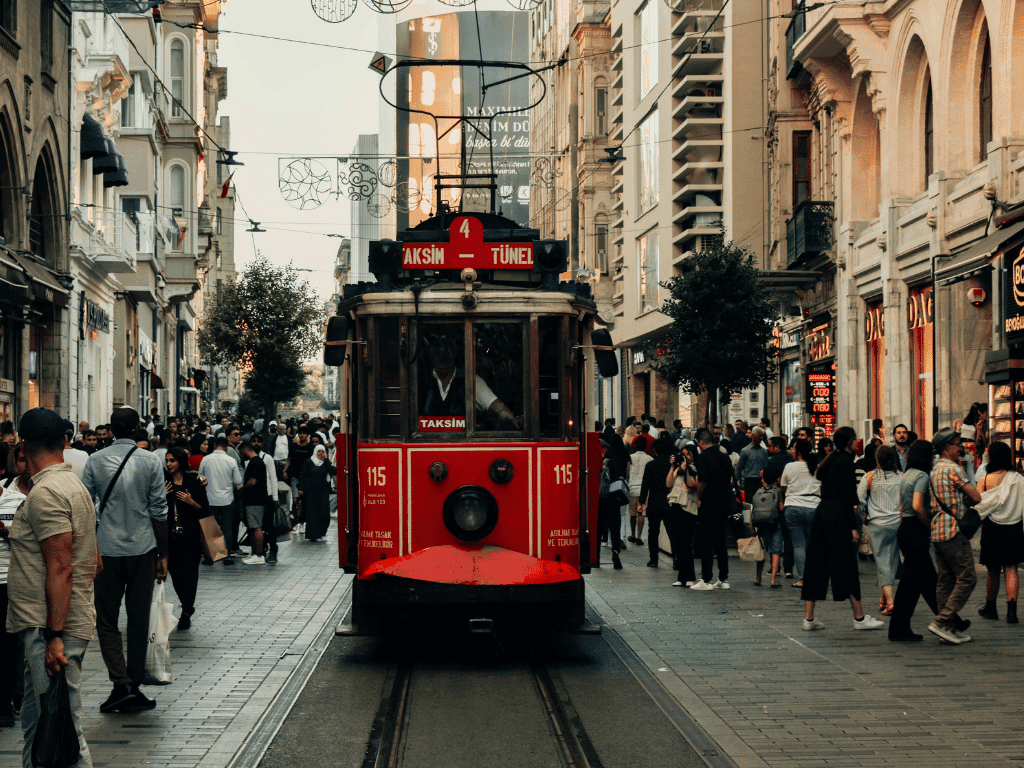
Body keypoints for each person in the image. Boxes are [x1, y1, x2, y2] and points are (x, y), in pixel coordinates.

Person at [7, 408, 98, 765]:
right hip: (53, 623)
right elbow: (94, 560)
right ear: (64, 441)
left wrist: (55, 636)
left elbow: (60, 568)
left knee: (63, 727)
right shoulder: (73, 486)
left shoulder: (47, 493)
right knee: (37, 720)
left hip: (52, 627)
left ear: (22, 445)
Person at [83, 407, 168, 713]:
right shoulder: (151, 461)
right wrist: (163, 552)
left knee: (106, 620)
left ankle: (120, 682)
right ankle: (133, 683)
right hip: (143, 548)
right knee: (138, 617)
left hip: (106, 549)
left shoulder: (95, 461)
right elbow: (159, 509)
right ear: (136, 430)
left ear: (111, 429)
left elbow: (87, 508)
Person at [800, 426, 885, 632]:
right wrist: (852, 527)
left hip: (822, 514)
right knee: (846, 565)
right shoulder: (847, 463)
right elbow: (847, 496)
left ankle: (809, 619)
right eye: (855, 439)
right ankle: (859, 617)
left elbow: (820, 476)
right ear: (848, 442)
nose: (857, 442)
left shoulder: (830, 460)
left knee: (815, 564)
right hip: (839, 517)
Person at [928, 427, 982, 644]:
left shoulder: (934, 470)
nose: (960, 447)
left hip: (938, 531)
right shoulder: (953, 469)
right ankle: (942, 621)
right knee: (968, 577)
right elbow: (976, 496)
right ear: (946, 447)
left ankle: (947, 631)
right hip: (953, 531)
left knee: (945, 581)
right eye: (957, 443)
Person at [890, 439, 940, 641]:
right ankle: (899, 629)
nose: (934, 458)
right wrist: (930, 526)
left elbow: (904, 508)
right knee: (911, 585)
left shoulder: (907, 474)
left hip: (906, 528)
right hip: (916, 530)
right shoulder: (921, 476)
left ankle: (949, 619)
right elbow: (918, 506)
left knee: (929, 582)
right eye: (932, 454)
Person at [975, 441, 1024, 624]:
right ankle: (1012, 612)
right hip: (1014, 528)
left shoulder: (985, 480)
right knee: (1012, 569)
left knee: (993, 570)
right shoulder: (1019, 479)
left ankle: (991, 607)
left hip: (992, 529)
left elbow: (978, 504)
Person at [163, 447, 207, 629]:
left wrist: (190, 501)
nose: (169, 464)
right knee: (175, 574)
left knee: (190, 574)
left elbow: (205, 509)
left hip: (191, 535)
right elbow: (154, 507)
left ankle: (186, 611)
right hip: (170, 536)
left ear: (181, 461)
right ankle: (186, 603)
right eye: (167, 460)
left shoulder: (193, 481)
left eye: (172, 460)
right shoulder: (163, 482)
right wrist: (162, 497)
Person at [0, 443, 27, 726]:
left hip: (12, 580)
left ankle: (11, 698)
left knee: (11, 644)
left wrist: (6, 533)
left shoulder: (15, 500)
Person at [858, 445, 903, 616]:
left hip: (876, 524)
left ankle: (891, 602)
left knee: (882, 561)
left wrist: (864, 515)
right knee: (890, 560)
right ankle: (884, 598)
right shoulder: (901, 477)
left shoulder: (869, 477)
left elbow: (859, 499)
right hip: (897, 524)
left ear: (877, 460)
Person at [690, 428, 733, 590]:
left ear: (701, 442)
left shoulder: (703, 458)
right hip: (724, 503)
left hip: (708, 503)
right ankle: (723, 578)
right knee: (720, 541)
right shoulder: (724, 457)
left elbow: (702, 481)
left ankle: (706, 579)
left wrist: (699, 498)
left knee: (706, 541)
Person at [199, 436, 243, 563]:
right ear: (226, 446)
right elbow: (238, 481)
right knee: (227, 528)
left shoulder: (205, 460)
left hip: (210, 498)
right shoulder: (231, 460)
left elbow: (200, 477)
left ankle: (212, 556)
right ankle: (227, 556)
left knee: (211, 528)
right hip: (227, 499)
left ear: (214, 445)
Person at [638, 437, 677, 570]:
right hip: (669, 501)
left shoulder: (650, 465)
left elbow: (645, 485)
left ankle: (653, 559)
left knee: (653, 532)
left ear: (654, 450)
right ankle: (676, 558)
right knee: (672, 531)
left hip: (654, 501)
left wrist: (641, 502)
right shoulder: (671, 465)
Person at [666, 443, 699, 586]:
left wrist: (686, 470)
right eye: (682, 454)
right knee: (678, 543)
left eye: (687, 454)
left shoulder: (696, 469)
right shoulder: (679, 469)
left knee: (686, 543)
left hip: (689, 509)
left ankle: (690, 576)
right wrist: (673, 467)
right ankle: (681, 577)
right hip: (675, 506)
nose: (684, 457)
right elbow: (668, 484)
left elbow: (691, 486)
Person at [239, 442, 271, 564]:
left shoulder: (254, 463)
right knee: (253, 527)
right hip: (257, 499)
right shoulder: (257, 462)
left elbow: (252, 482)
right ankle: (255, 553)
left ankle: (259, 555)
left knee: (256, 526)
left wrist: (241, 490)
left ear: (245, 450)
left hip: (255, 500)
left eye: (241, 452)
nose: (241, 455)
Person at [300, 445, 333, 542]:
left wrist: (326, 460)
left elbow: (332, 470)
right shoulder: (309, 462)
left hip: (323, 491)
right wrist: (301, 488)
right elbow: (302, 475)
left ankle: (323, 533)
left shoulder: (326, 463)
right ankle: (313, 535)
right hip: (311, 492)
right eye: (318, 451)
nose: (320, 453)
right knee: (312, 513)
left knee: (324, 512)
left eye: (322, 451)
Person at [735, 427, 770, 503]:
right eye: (760, 435)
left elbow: (766, 467)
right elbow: (739, 468)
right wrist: (735, 483)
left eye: (762, 436)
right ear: (753, 435)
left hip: (760, 482)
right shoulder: (745, 451)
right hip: (749, 482)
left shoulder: (764, 452)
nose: (761, 438)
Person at [626, 442, 651, 545]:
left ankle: (632, 534)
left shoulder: (630, 457)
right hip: (644, 490)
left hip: (632, 488)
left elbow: (627, 473)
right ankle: (639, 536)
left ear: (636, 446)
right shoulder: (649, 458)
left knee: (632, 513)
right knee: (641, 513)